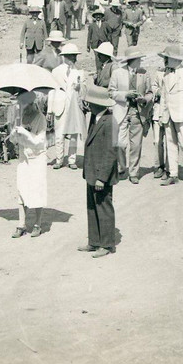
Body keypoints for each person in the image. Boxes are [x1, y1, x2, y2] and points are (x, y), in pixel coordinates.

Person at [79, 85, 118, 258]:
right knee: (92, 207)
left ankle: (107, 244)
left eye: (90, 103)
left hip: (101, 174)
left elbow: (111, 152)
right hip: (91, 172)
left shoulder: (110, 122)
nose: (88, 105)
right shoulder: (95, 118)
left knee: (104, 207)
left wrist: (102, 177)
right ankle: (94, 241)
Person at [155, 44, 183, 185]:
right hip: (168, 115)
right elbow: (164, 95)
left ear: (175, 59)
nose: (165, 61)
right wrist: (162, 114)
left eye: (167, 58)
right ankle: (173, 174)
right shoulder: (166, 74)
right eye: (165, 58)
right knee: (171, 144)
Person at [108, 46, 152, 184]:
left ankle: (134, 172)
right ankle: (121, 167)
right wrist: (125, 94)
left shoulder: (144, 74)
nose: (140, 61)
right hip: (121, 111)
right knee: (120, 143)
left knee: (136, 144)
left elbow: (150, 92)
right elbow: (111, 92)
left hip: (138, 113)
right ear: (132, 60)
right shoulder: (117, 73)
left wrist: (144, 99)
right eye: (139, 59)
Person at [10, 90, 49, 239]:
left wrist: (25, 133)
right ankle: (21, 224)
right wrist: (14, 135)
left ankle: (38, 224)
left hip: (37, 158)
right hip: (23, 159)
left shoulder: (41, 118)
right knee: (22, 189)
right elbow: (14, 141)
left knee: (36, 190)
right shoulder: (20, 118)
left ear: (31, 103)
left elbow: (39, 142)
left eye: (23, 103)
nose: (21, 107)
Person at [48, 42, 87, 170]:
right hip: (60, 105)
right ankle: (59, 159)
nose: (73, 59)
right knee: (59, 134)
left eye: (74, 56)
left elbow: (85, 91)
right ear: (64, 57)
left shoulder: (79, 72)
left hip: (74, 106)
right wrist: (49, 109)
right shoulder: (56, 71)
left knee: (74, 134)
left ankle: (72, 159)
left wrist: (79, 87)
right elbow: (51, 91)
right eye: (70, 56)